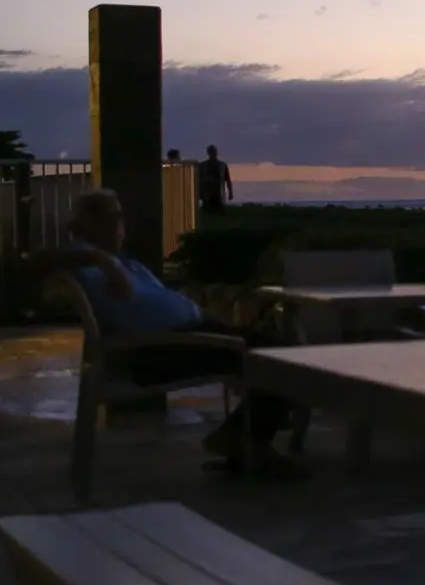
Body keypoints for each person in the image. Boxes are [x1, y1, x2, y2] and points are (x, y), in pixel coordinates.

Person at [38, 187, 302, 478]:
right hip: (161, 349)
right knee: (284, 360)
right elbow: (38, 260)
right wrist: (102, 260)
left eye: (119, 216)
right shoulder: (85, 259)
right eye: (111, 216)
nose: (119, 224)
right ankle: (242, 439)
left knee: (286, 354)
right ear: (85, 224)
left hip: (190, 336)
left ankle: (244, 440)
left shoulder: (121, 261)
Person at [195, 145, 233, 213]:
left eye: (214, 152)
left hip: (219, 193)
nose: (213, 154)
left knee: (219, 212)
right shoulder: (202, 166)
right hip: (207, 194)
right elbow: (198, 180)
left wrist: (230, 193)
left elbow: (228, 179)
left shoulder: (222, 165)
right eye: (211, 152)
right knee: (207, 211)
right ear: (208, 153)